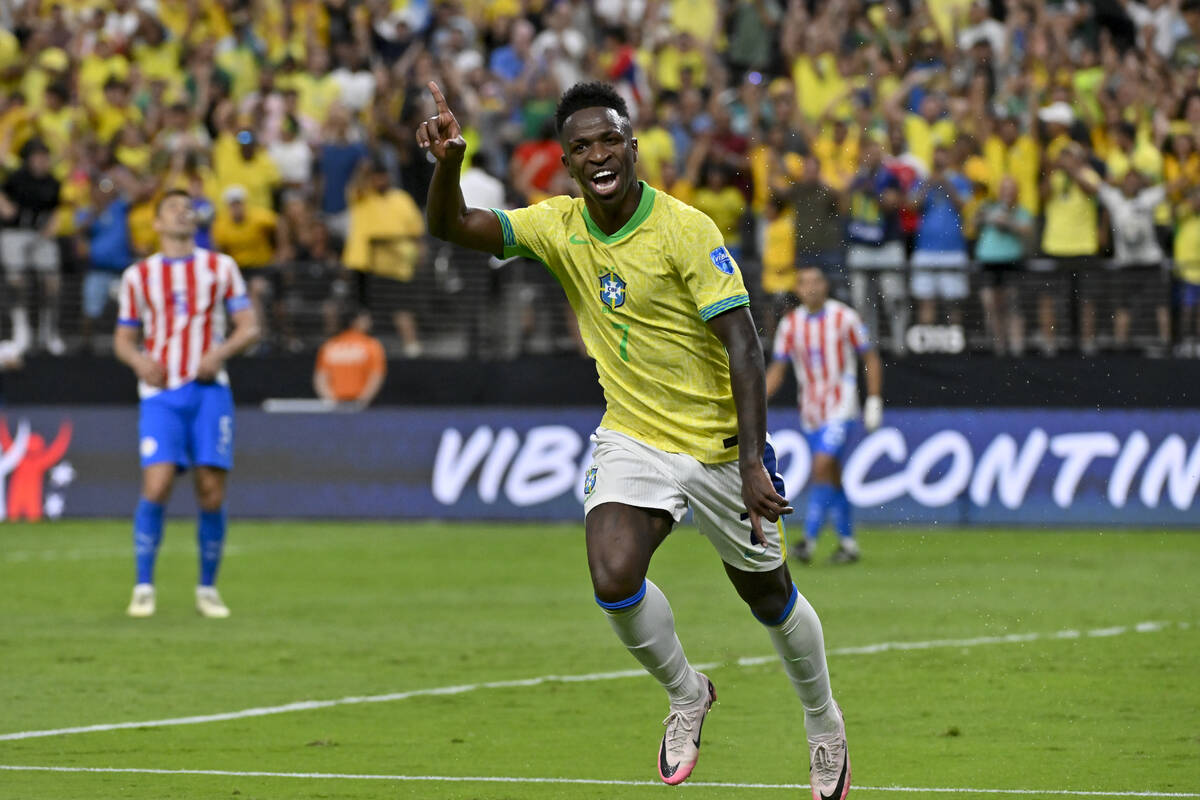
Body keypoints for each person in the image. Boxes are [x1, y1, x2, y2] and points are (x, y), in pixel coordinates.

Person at [418, 81, 851, 798]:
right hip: (634, 435)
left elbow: (744, 345)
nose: (598, 155)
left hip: (716, 446)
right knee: (612, 574)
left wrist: (749, 463)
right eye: (582, 146)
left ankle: (823, 721)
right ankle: (687, 695)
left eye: (609, 139)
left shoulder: (685, 229)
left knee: (769, 598)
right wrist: (447, 162)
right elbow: (451, 226)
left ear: (633, 146)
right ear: (566, 161)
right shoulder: (558, 225)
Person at [113, 188, 260, 619]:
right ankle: (143, 586)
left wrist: (218, 353)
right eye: (172, 208)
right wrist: (140, 361)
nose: (182, 212)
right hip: (160, 394)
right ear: (156, 223)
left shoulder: (221, 267)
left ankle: (207, 589)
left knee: (210, 491)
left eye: (187, 207)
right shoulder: (138, 276)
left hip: (210, 392)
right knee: (156, 485)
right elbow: (124, 339)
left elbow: (248, 326)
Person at [766, 266, 883, 565]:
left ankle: (808, 539)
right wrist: (752, 401)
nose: (811, 287)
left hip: (841, 405)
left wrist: (873, 400)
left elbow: (869, 356)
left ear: (826, 285)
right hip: (811, 410)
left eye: (817, 280)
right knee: (832, 474)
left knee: (821, 464)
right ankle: (848, 544)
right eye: (804, 282)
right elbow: (777, 371)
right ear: (798, 288)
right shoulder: (790, 325)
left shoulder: (845, 317)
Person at [313, 308, 386, 407]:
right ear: (354, 321)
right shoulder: (371, 345)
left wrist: (331, 401)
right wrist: (362, 401)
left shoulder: (330, 345)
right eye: (366, 319)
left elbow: (320, 379)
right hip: (361, 406)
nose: (370, 323)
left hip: (337, 404)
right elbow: (376, 376)